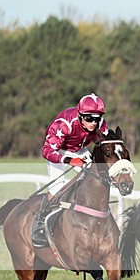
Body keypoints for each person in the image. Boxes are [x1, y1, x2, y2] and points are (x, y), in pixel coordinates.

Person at [31, 93, 109, 247]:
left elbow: (106, 143)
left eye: (97, 118)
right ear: (80, 116)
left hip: (79, 150)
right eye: (89, 118)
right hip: (58, 151)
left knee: (93, 179)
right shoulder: (64, 124)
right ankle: (40, 223)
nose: (94, 123)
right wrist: (69, 160)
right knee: (58, 187)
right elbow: (47, 151)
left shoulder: (100, 124)